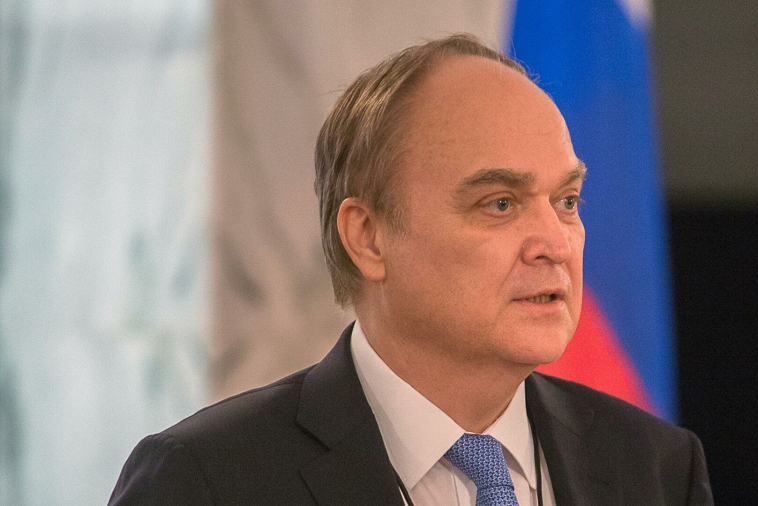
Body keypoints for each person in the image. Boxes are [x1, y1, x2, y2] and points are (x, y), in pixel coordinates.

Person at [109, 33, 714, 506]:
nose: (555, 243)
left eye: (567, 202)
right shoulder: (206, 480)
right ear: (368, 238)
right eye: (500, 204)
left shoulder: (656, 468)